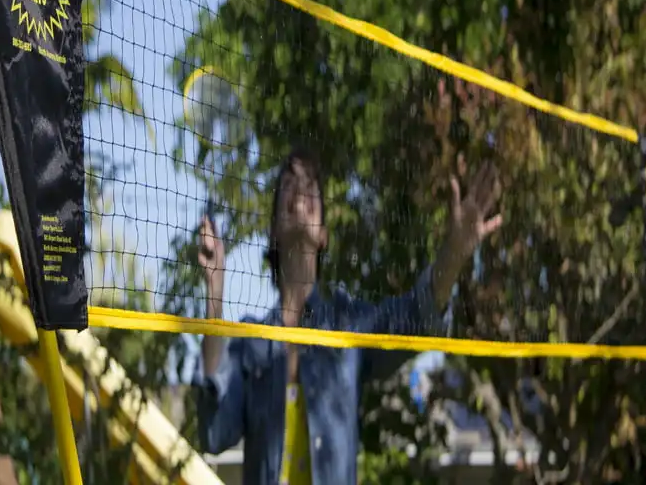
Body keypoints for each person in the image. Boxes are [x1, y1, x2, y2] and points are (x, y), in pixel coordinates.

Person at [194, 148, 503, 485]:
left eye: (311, 185)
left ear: (323, 235)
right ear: (273, 232)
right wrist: (215, 290)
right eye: (289, 184)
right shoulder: (251, 343)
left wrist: (455, 252)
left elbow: (419, 314)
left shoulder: (348, 324)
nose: (301, 189)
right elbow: (215, 432)